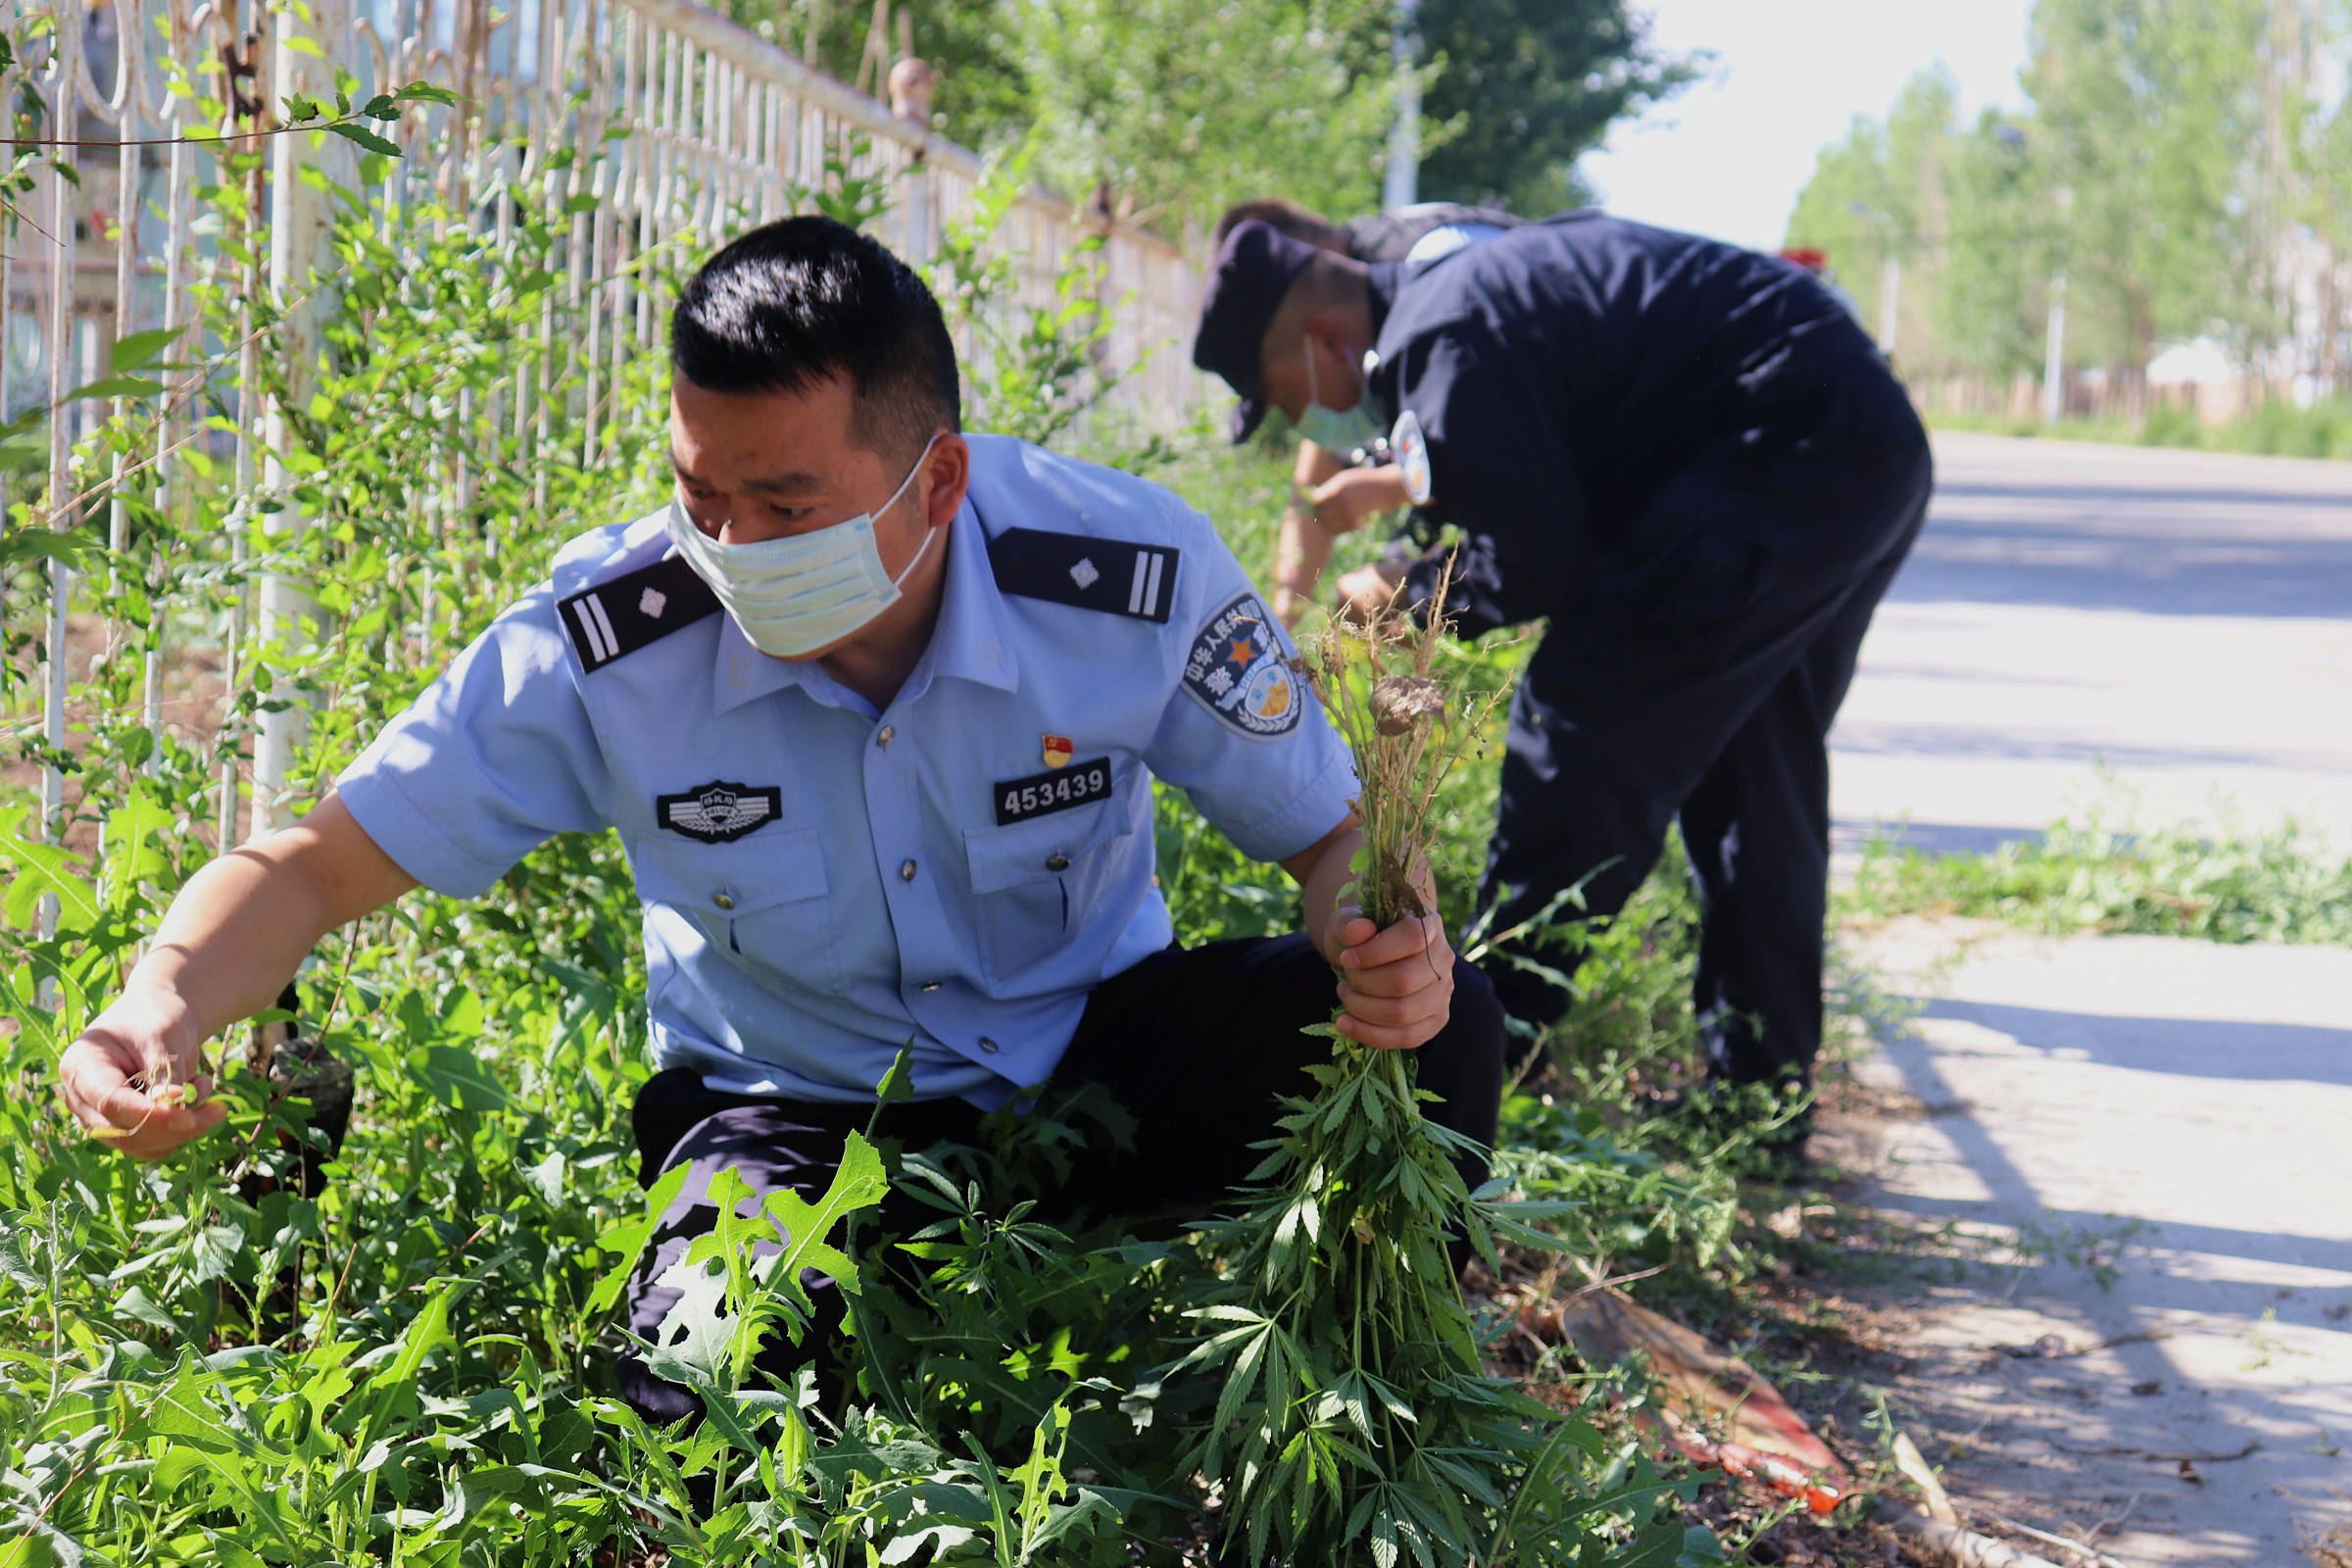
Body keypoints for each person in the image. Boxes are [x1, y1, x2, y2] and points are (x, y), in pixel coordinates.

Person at [58, 216, 1506, 1421]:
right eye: (701, 493)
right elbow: (316, 867)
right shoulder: (613, 642)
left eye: (787, 502)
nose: (733, 549)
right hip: (792, 1117)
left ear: (939, 479)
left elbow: (1329, 839)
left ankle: (1378, 1409)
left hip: (1091, 1061)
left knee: (1445, 1028)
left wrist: (1378, 944)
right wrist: (157, 1005)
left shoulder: (1123, 578)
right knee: (688, 1397)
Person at [1190, 215, 1934, 1158]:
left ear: (1326, 342)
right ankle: (1758, 1107)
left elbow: (1533, 563)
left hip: (1780, 447)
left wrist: (1400, 592)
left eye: (1287, 400)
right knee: (1755, 772)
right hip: (1853, 441)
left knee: (1579, 722)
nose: (1305, 427)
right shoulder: (1462, 298)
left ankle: (1482, 1060)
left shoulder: (1439, 337)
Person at [1210, 197, 1523, 626]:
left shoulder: (1429, 276)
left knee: (1389, 594)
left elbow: (1510, 443)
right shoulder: (1358, 294)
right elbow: (1314, 478)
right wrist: (1284, 618)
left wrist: (1396, 487)